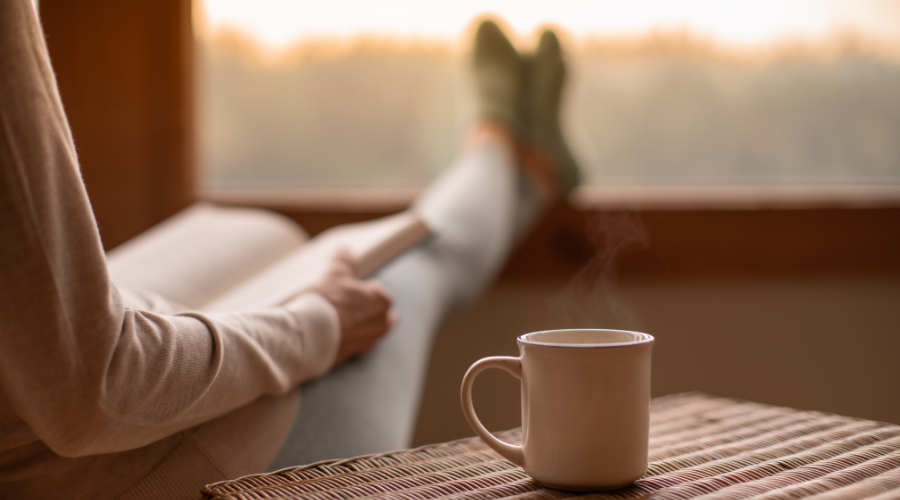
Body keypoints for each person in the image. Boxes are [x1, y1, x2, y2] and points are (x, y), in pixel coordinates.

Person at [0, 0, 579, 497]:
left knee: (263, 236)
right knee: (392, 268)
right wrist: (314, 326)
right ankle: (503, 152)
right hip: (98, 472)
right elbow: (89, 389)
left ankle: (516, 163)